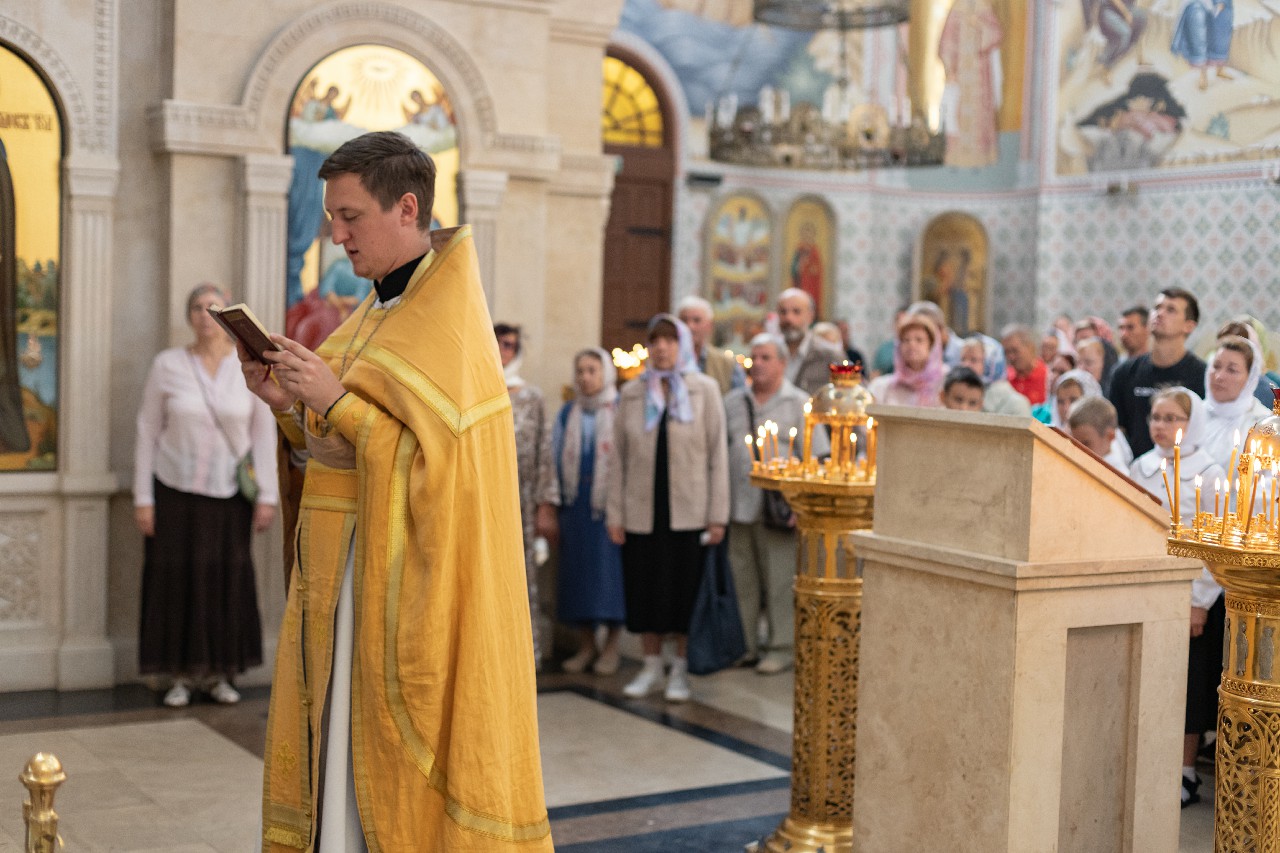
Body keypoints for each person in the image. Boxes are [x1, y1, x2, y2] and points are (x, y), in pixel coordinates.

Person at [240, 132, 551, 851]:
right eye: (332, 216)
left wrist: (333, 400)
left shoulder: (449, 324)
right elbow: (334, 449)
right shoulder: (372, 313)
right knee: (335, 751)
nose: (336, 235)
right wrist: (287, 405)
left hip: (395, 593)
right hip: (341, 585)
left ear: (407, 208)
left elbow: (444, 472)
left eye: (350, 216)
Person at [133, 282, 279, 708]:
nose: (204, 315)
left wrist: (267, 495)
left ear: (227, 316)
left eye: (213, 308)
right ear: (189, 316)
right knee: (175, 582)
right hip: (174, 490)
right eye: (197, 307)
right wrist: (143, 498)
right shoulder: (168, 365)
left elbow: (263, 434)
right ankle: (179, 675)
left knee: (225, 582)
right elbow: (147, 431)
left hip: (230, 495)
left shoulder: (248, 366)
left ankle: (220, 675)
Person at [608, 314, 729, 703]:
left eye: (669, 340)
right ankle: (650, 666)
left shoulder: (703, 389)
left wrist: (717, 516)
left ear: (683, 345)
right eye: (655, 340)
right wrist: (615, 514)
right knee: (644, 590)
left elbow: (717, 456)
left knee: (683, 592)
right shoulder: (633, 392)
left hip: (689, 511)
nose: (661, 348)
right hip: (642, 510)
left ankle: (679, 669)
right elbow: (618, 458)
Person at [1126, 387, 1224, 809]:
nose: (1161, 426)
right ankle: (1148, 759)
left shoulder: (1209, 472)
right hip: (1146, 585)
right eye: (1156, 417)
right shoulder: (1142, 466)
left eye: (1172, 418)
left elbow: (1213, 541)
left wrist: (1199, 599)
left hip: (1189, 591)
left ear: (1192, 423)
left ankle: (1184, 769)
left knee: (1188, 682)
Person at [723, 334, 828, 675]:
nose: (758, 363)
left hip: (781, 510)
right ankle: (746, 644)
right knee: (743, 578)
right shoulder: (733, 401)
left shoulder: (798, 403)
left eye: (766, 357)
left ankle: (781, 647)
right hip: (739, 504)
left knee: (780, 580)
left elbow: (816, 457)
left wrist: (802, 504)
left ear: (783, 363)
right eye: (754, 357)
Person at [553, 348, 626, 676]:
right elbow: (554, 455)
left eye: (592, 370)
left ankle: (611, 647)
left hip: (609, 507)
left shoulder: (620, 409)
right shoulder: (568, 413)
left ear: (605, 373)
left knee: (610, 578)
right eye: (580, 371)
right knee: (577, 578)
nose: (585, 377)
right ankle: (586, 646)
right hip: (576, 506)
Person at [496, 322, 560, 669]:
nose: (503, 350)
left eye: (509, 345)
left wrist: (544, 506)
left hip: (521, 501)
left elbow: (543, 452)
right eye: (498, 343)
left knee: (520, 576)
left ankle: (522, 655)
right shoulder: (476, 388)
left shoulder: (531, 397)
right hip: (486, 499)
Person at [1108, 288, 1205, 458]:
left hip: (1182, 466)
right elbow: (1117, 430)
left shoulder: (1202, 375)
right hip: (1134, 467)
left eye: (1171, 310)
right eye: (1157, 307)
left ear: (1189, 326)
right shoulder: (1124, 372)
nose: (1160, 313)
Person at [1201, 335, 1270, 470]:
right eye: (1216, 366)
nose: (1219, 376)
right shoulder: (1192, 414)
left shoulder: (1263, 425)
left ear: (1250, 378)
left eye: (1232, 370)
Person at [868, 312, 945, 407]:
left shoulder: (943, 383)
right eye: (906, 340)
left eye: (919, 340)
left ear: (931, 345)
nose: (912, 344)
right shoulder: (881, 387)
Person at [777, 288, 844, 394]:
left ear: (810, 316)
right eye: (783, 312)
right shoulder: (769, 352)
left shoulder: (829, 355)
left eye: (796, 312)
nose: (788, 318)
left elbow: (846, 394)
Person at [678, 295, 745, 395]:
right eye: (684, 320)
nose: (689, 326)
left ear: (709, 326)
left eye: (696, 320)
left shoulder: (727, 364)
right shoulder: (666, 360)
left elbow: (738, 400)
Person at [958, 334, 1032, 416]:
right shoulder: (955, 397)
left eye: (973, 360)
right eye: (963, 359)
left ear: (991, 363)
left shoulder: (1017, 405)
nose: (965, 365)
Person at [1067, 396, 1127, 471]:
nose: (1079, 450)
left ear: (1110, 436)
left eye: (1086, 443)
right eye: (1074, 443)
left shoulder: (1117, 475)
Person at [1001, 324, 1048, 406]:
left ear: (1030, 347)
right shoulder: (1004, 378)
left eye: (1014, 350)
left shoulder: (1047, 376)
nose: (1011, 357)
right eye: (1006, 352)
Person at [871, 306, 909, 378]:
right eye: (899, 321)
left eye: (906, 322)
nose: (902, 325)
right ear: (894, 324)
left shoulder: (918, 348)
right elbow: (874, 376)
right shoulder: (884, 349)